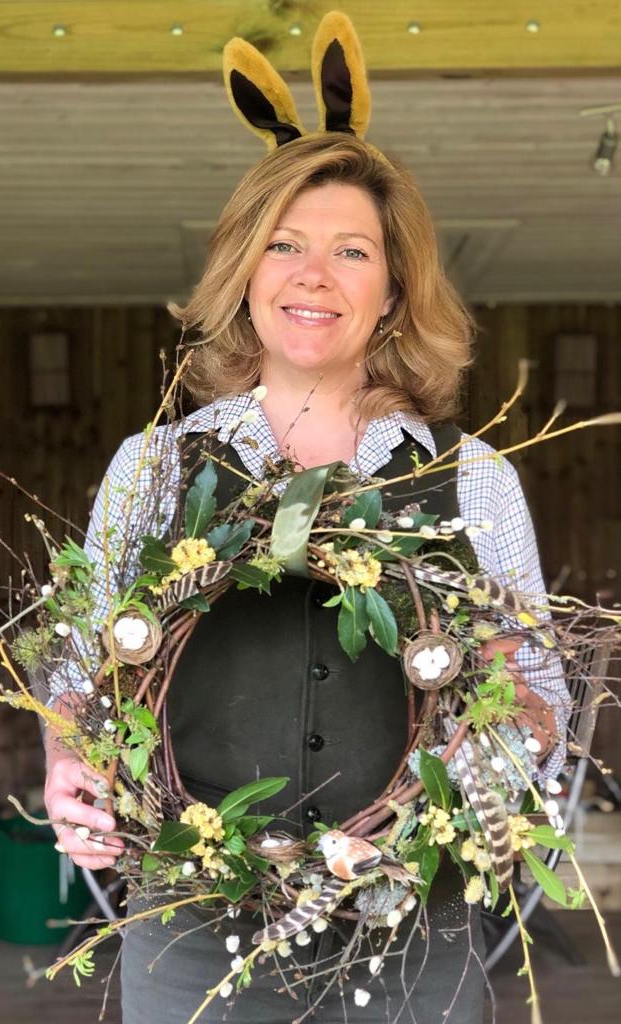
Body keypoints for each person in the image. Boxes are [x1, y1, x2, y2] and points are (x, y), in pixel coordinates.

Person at [43, 13, 570, 1023]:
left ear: (394, 287)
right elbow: (81, 669)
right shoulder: (157, 469)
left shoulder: (472, 477)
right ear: (245, 270)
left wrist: (508, 717)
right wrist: (72, 760)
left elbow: (536, 689)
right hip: (195, 929)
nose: (312, 274)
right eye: (283, 243)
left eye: (351, 250)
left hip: (416, 930)